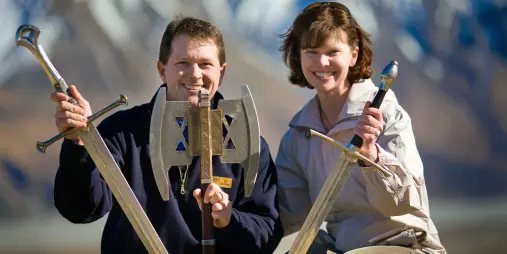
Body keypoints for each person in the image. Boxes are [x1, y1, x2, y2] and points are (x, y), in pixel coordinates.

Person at [51, 15, 283, 254]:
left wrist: (228, 219)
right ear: (162, 70)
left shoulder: (246, 142)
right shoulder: (123, 132)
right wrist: (80, 145)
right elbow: (81, 209)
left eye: (205, 64)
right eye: (183, 62)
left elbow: (267, 232)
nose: (195, 74)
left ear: (221, 73)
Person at [275, 2, 446, 254]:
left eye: (333, 51)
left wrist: (372, 157)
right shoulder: (297, 136)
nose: (322, 62)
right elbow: (287, 220)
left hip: (404, 245)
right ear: (298, 55)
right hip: (346, 248)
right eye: (311, 51)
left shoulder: (387, 113)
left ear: (353, 55)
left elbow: (402, 204)